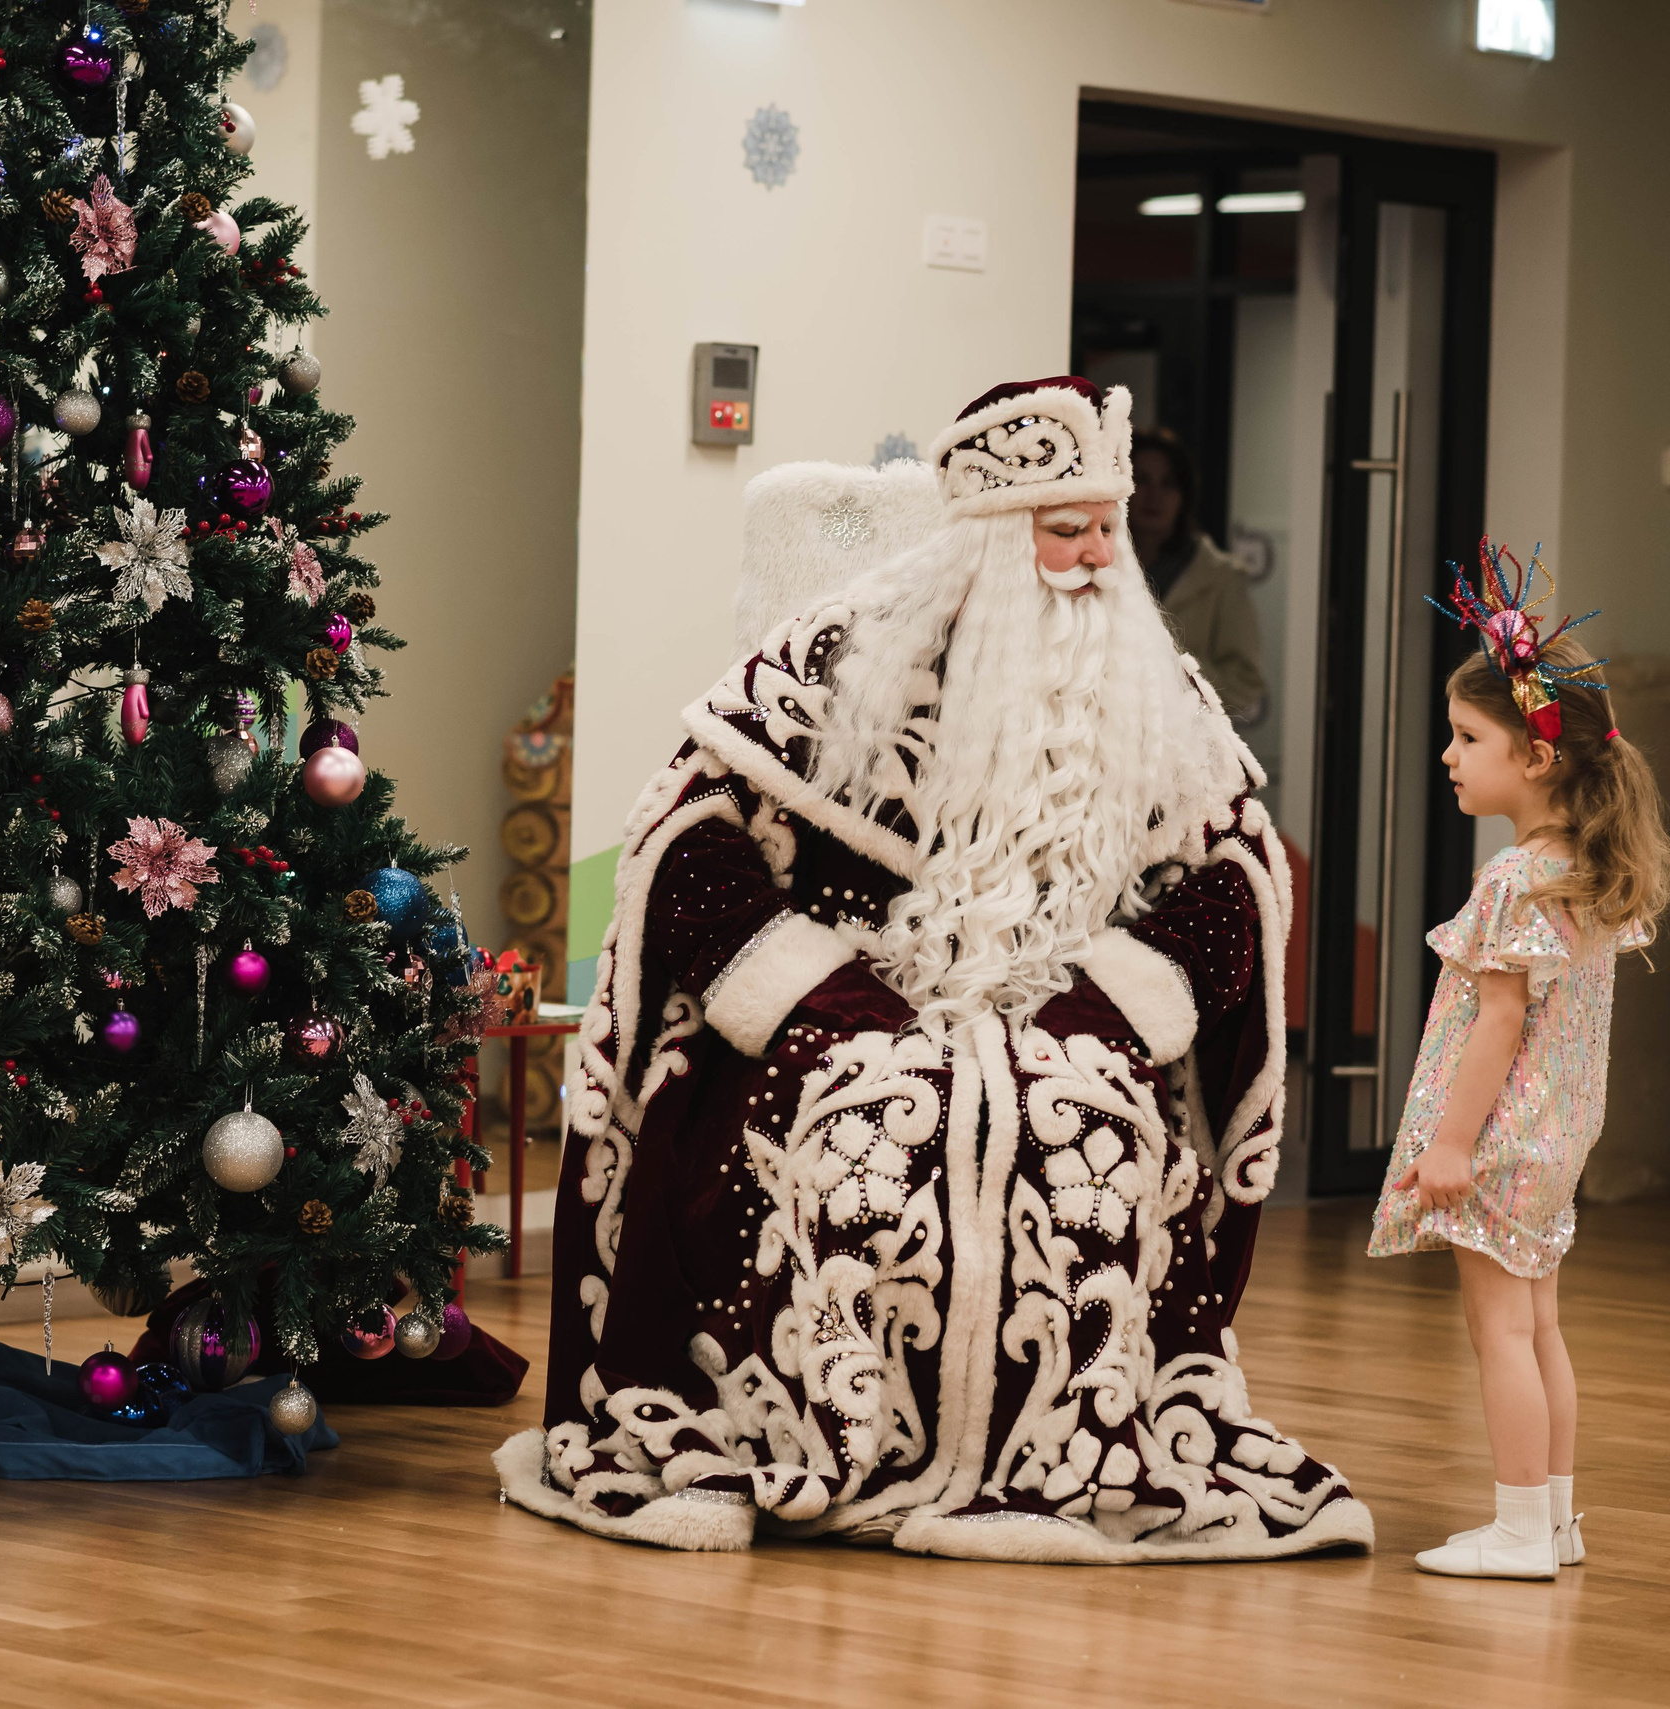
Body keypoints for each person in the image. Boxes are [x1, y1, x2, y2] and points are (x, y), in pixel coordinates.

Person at [498, 376, 1374, 1563]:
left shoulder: (1161, 692)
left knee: (1081, 1124)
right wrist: (804, 987)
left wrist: (1125, 996)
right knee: (869, 1122)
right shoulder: (834, 662)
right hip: (845, 1006)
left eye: (1106, 526)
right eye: (1063, 531)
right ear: (987, 540)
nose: (1094, 557)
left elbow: (1238, 871)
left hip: (1067, 1011)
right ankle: (818, 1432)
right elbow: (686, 835)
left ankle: (1053, 1464)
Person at [1366, 545, 1670, 1579]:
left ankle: (1513, 1531)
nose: (1448, 756)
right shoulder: (1584, 869)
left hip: (1500, 1136)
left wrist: (1450, 1144)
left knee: (1498, 1329)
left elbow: (1497, 1021)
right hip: (1558, 1134)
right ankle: (1553, 1518)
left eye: (1466, 737)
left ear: (1536, 758)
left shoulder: (1511, 879)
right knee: (1538, 1324)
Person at [1129, 427, 1266, 724]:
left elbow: (1247, 684)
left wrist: (1177, 671)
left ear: (1184, 494)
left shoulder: (1223, 578)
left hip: (1188, 745)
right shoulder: (1098, 566)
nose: (1154, 495)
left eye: (1168, 483)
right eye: (1141, 480)